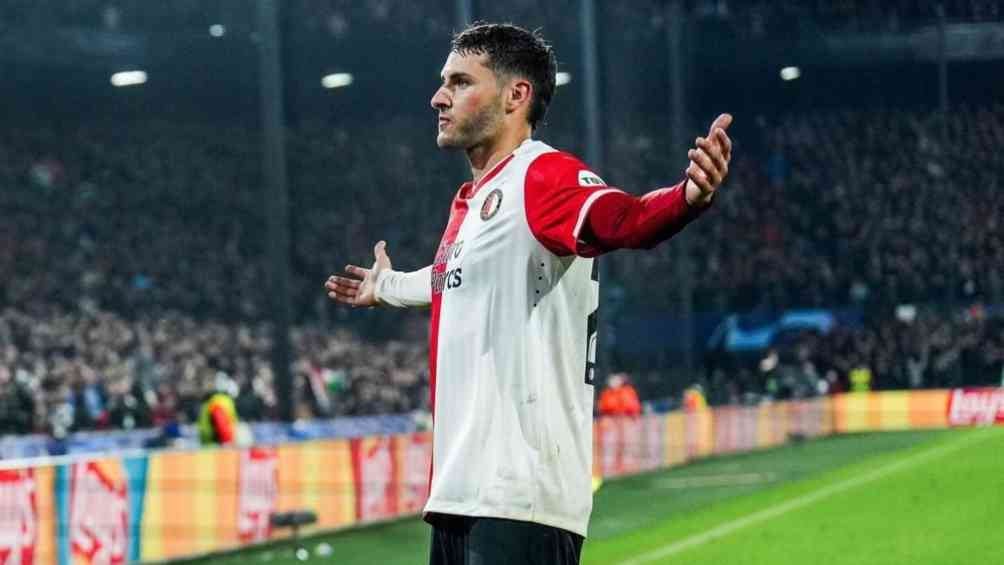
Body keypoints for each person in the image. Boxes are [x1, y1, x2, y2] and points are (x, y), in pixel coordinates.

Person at [325, 22, 732, 565]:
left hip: (521, 499)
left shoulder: (543, 175)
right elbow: (448, 279)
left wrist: (687, 197)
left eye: (460, 82)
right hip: (460, 494)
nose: (438, 96)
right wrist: (386, 286)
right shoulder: (472, 201)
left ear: (517, 95)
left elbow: (624, 218)